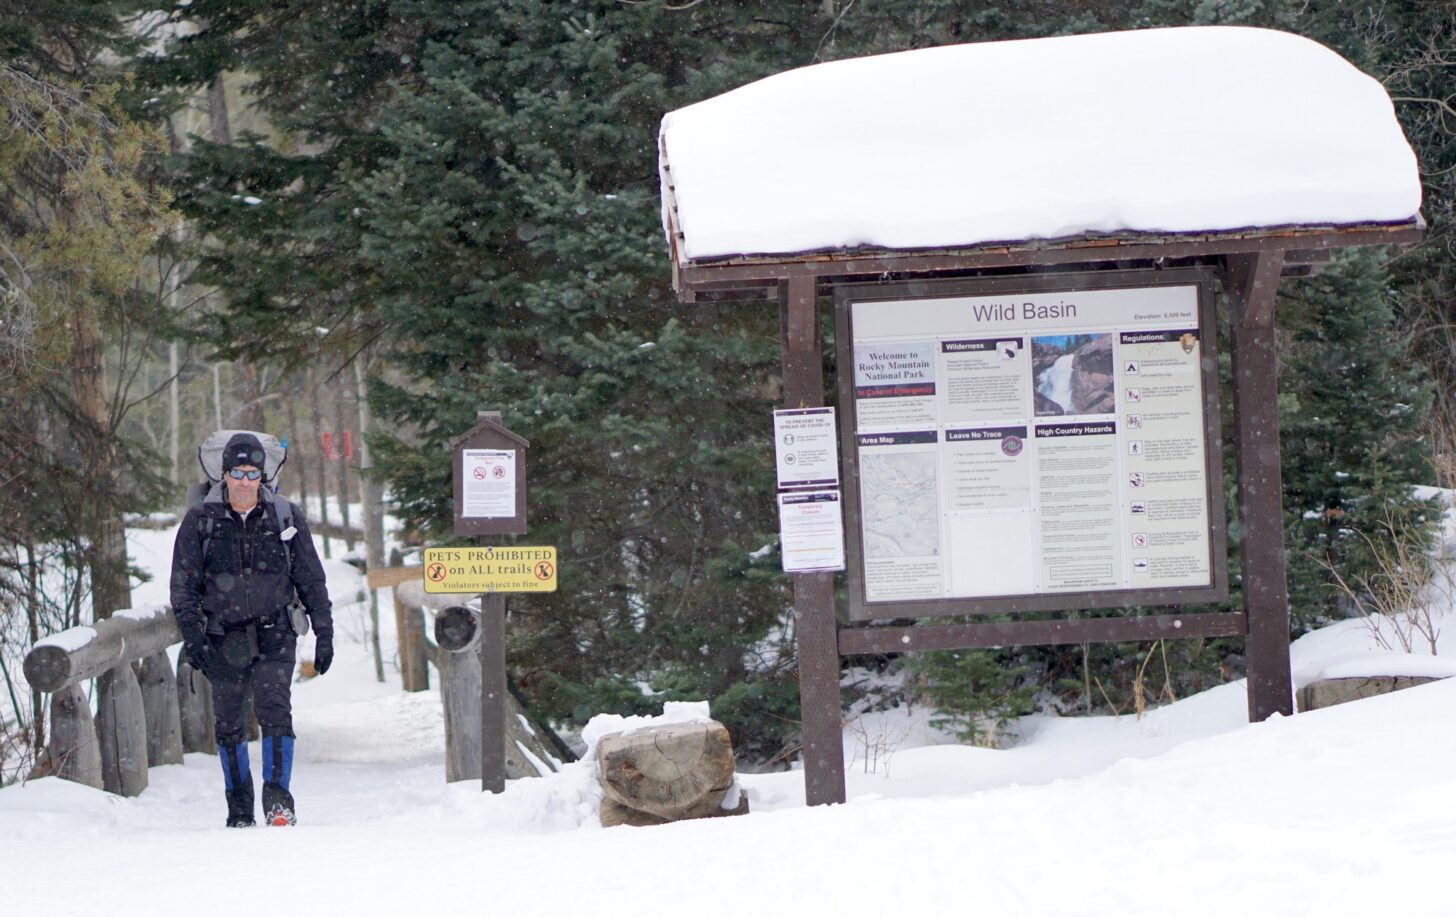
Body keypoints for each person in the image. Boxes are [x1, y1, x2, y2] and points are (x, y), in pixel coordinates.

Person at [170, 432, 334, 828]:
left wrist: (324, 631)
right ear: (223, 474)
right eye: (237, 472)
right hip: (222, 637)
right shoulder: (201, 521)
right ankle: (239, 807)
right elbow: (183, 585)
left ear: (264, 475)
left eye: (252, 473)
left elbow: (310, 577)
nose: (245, 481)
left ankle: (278, 801)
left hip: (276, 632)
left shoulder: (285, 517)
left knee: (275, 711)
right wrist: (194, 638)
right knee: (229, 722)